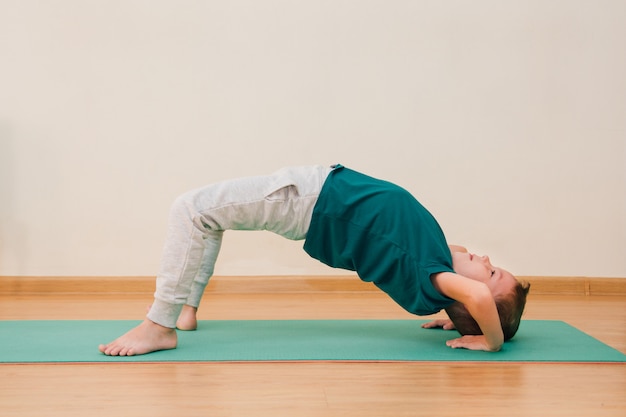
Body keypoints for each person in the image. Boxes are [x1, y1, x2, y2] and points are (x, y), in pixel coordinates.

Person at [99, 164, 530, 356]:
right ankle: (185, 311)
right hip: (318, 195)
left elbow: (471, 292)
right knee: (207, 219)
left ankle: (160, 324)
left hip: (311, 198)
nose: (486, 259)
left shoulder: (434, 275)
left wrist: (489, 340)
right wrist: (456, 317)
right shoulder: (436, 271)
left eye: (492, 272)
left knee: (190, 209)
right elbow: (468, 291)